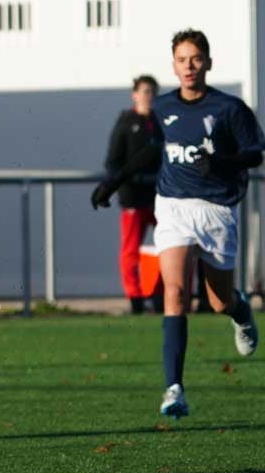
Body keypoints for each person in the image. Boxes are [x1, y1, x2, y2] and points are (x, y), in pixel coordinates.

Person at [92, 29, 260, 418]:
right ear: (174, 65)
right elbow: (153, 151)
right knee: (175, 293)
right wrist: (112, 182)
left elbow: (254, 154)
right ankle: (174, 389)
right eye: (182, 59)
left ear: (208, 62)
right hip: (173, 207)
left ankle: (241, 311)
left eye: (196, 58)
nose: (189, 66)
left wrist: (220, 162)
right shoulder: (164, 108)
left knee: (218, 301)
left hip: (216, 209)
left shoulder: (229, 109)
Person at [102, 74, 163, 314]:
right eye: (145, 92)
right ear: (135, 95)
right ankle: (135, 297)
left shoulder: (160, 123)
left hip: (159, 196)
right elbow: (113, 160)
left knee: (169, 245)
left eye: (152, 92)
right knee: (130, 249)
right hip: (134, 196)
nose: (149, 97)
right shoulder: (127, 122)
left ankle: (162, 293)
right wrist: (116, 183)